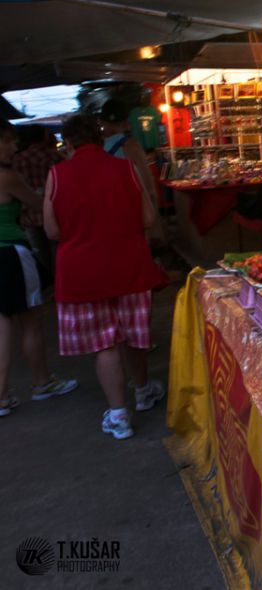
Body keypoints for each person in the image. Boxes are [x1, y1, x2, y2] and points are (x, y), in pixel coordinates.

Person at [44, 114, 168, 440]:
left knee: (105, 343)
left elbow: (52, 230)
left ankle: (118, 416)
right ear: (100, 141)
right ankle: (142, 392)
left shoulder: (57, 174)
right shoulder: (124, 168)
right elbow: (148, 217)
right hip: (130, 265)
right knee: (134, 335)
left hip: (83, 273)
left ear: (69, 144)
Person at [0, 119, 77, 416]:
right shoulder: (6, 177)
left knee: (4, 323)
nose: (13, 146)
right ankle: (41, 382)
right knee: (31, 320)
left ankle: (3, 395)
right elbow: (37, 201)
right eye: (5, 141)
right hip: (12, 254)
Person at [11, 124, 60, 275]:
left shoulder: (16, 159)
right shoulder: (53, 157)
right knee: (57, 252)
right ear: (43, 137)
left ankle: (47, 288)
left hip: (28, 215)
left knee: (40, 255)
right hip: (53, 213)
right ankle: (58, 284)